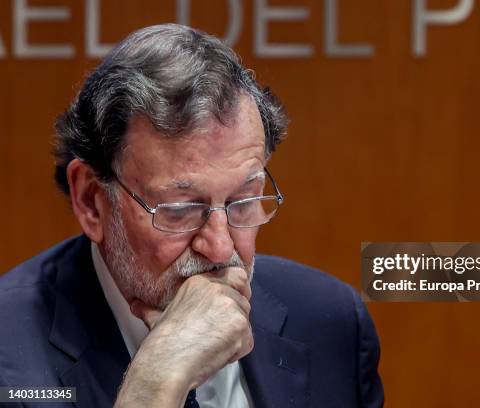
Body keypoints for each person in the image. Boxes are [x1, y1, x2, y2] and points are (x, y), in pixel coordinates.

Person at [0, 24, 383, 407]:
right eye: (181, 210)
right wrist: (155, 380)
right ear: (92, 201)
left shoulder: (331, 323)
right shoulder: (11, 364)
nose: (219, 249)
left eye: (243, 199)